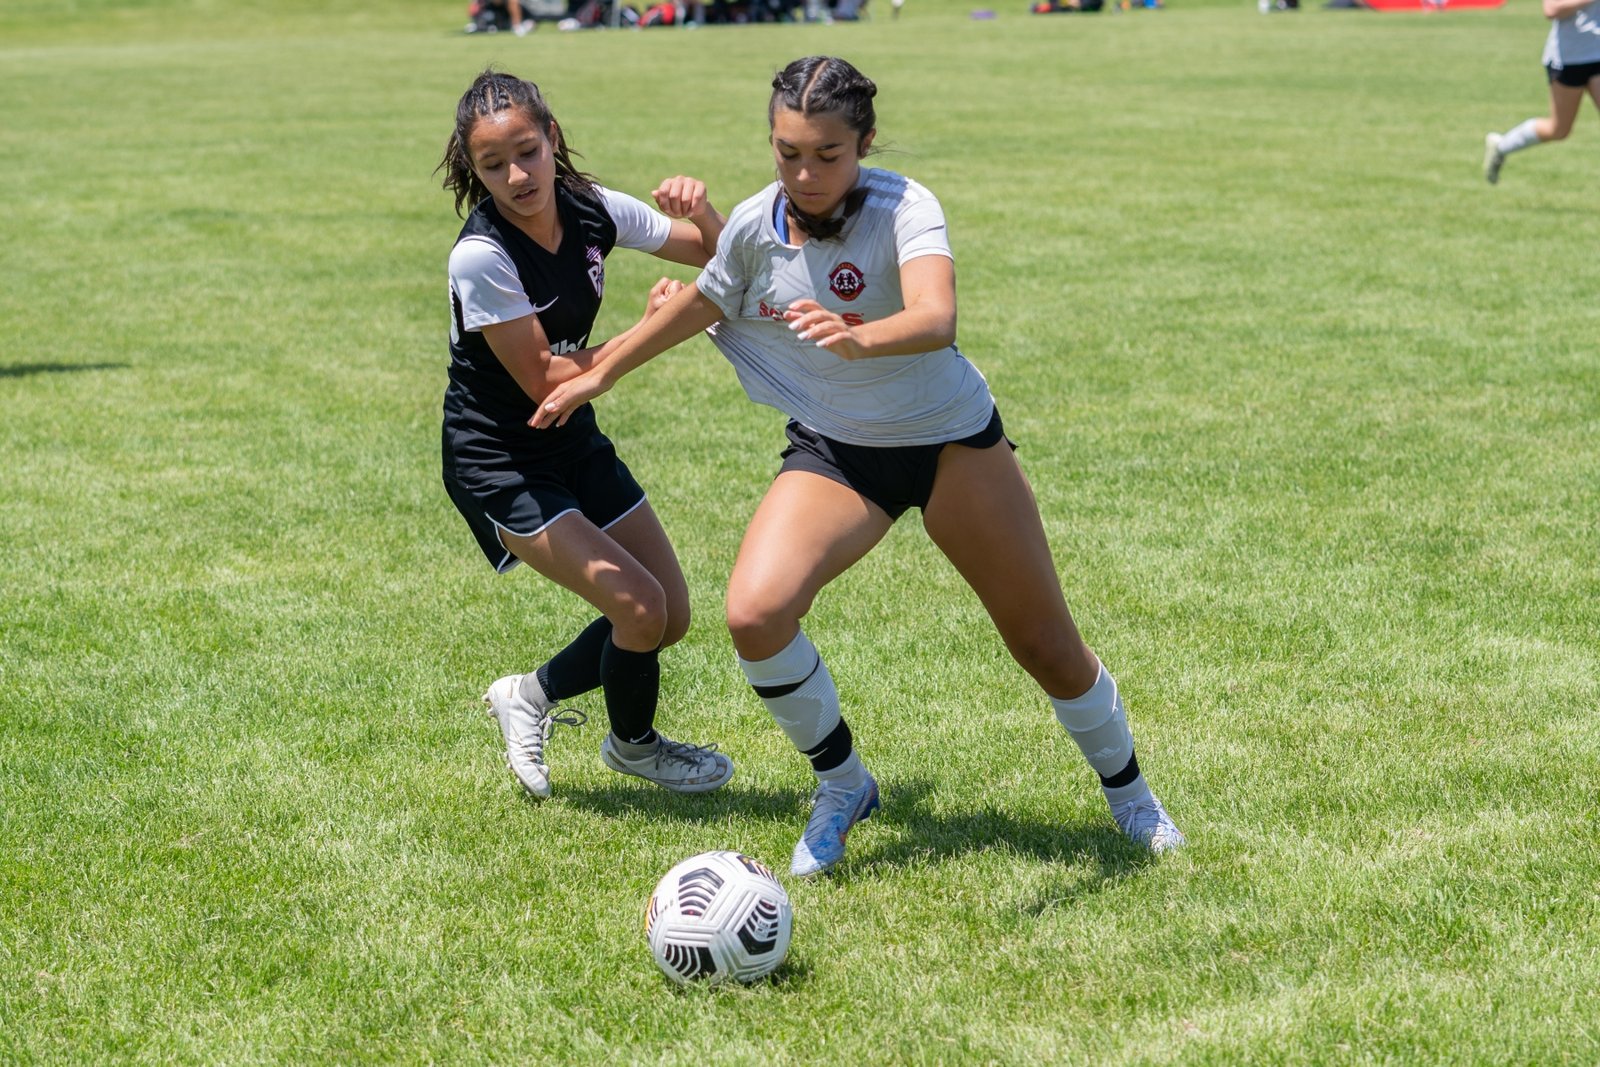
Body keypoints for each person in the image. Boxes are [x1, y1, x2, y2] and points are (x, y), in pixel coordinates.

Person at [534, 56, 1184, 876]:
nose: (805, 174)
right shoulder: (757, 222)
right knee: (755, 614)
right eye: (787, 153)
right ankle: (843, 784)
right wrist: (602, 371)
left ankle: (1132, 797)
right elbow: (707, 299)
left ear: (865, 143)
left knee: (1044, 643)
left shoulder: (905, 206)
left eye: (827, 155)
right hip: (839, 450)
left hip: (950, 444)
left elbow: (937, 316)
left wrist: (858, 336)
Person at [436, 70, 734, 800]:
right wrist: (653, 325)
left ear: (552, 137)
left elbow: (716, 255)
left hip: (571, 436)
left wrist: (705, 213)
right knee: (639, 608)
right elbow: (545, 380)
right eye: (493, 164)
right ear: (474, 169)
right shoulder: (482, 255)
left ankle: (528, 694)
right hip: (500, 457)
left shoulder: (591, 207)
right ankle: (635, 747)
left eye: (527, 152)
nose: (517, 175)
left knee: (668, 613)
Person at [1483, 0, 1600, 184]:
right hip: (1569, 58)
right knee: (1558, 129)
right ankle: (1501, 146)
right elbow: (1551, 9)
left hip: (1597, 53)